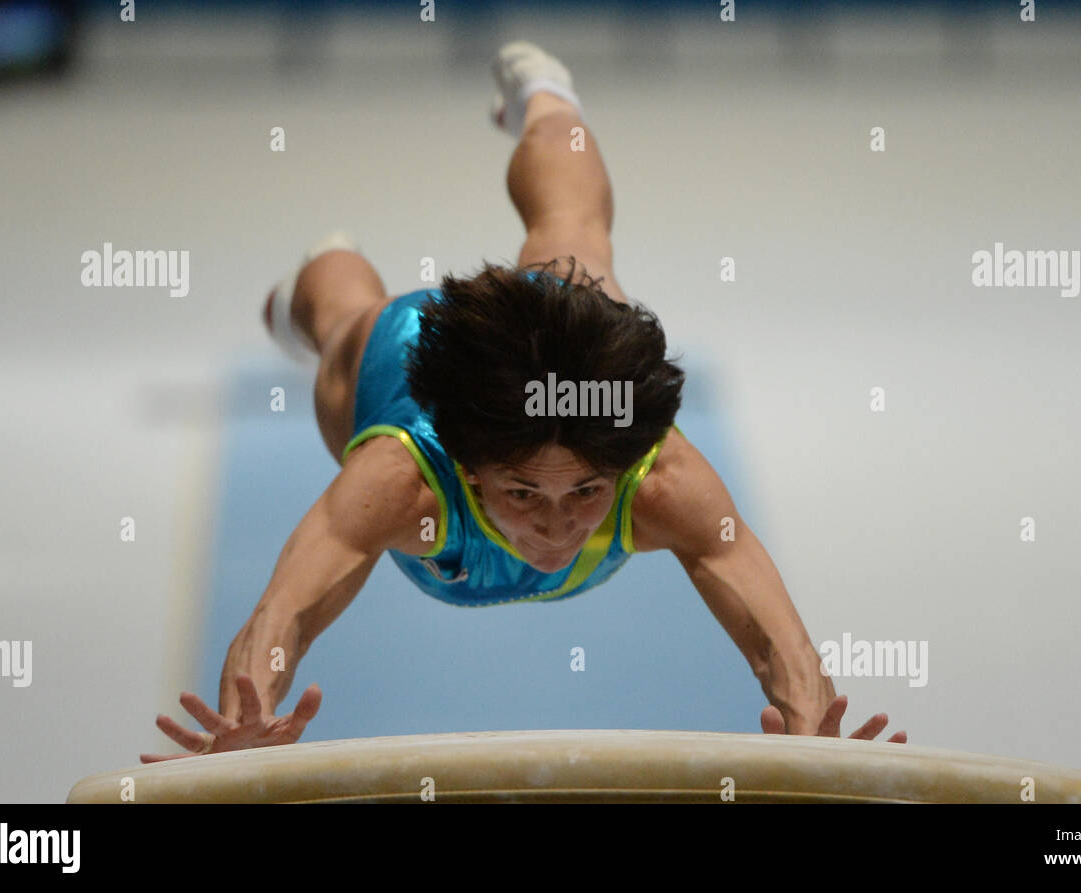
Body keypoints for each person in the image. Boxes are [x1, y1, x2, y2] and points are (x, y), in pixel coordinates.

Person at [142, 41, 905, 763]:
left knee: (574, 238)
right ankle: (319, 272)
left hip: (566, 364)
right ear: (469, 470)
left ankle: (546, 101)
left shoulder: (656, 474)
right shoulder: (401, 482)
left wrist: (812, 731)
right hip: (395, 350)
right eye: (521, 492)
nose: (556, 523)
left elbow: (779, 638)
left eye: (585, 490)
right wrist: (250, 710)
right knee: (344, 313)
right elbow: (287, 611)